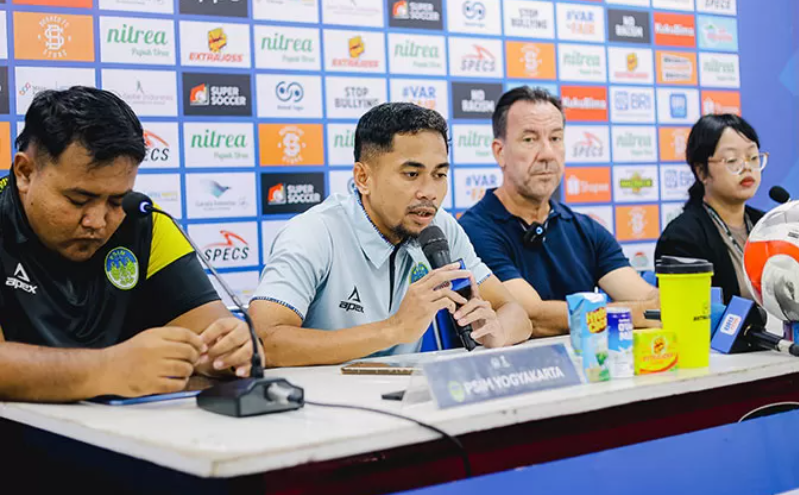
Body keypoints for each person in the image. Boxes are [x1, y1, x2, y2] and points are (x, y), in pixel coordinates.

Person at [0, 87, 259, 402]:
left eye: (115, 201)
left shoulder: (144, 220)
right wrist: (107, 369)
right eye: (78, 199)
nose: (97, 221)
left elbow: (213, 338)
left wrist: (228, 354)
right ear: (25, 173)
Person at [249, 103, 531, 366]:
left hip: (406, 401)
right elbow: (266, 343)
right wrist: (395, 329)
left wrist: (498, 331)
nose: (429, 192)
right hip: (321, 409)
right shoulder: (313, 233)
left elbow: (516, 312)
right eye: (411, 174)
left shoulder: (440, 227)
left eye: (439, 175)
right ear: (363, 178)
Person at [459, 86, 659, 337]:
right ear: (500, 152)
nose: (547, 154)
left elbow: (649, 298)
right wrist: (636, 314)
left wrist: (655, 305)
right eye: (529, 140)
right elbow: (530, 315)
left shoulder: (585, 229)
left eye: (555, 138)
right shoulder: (473, 231)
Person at [656, 114, 767, 303]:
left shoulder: (768, 225)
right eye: (732, 160)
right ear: (701, 171)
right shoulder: (682, 238)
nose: (747, 167)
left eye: (753, 157)